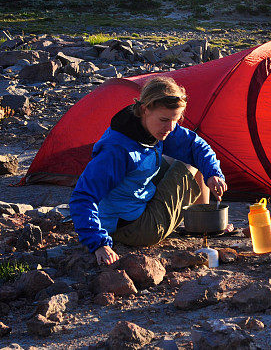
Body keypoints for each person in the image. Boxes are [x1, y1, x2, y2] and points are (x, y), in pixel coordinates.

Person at [69, 76, 227, 265]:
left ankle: (205, 222)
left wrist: (214, 173)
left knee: (194, 157)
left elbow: (196, 145)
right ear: (145, 109)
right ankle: (204, 226)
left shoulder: (150, 126)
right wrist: (98, 243)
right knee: (190, 164)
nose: (169, 128)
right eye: (164, 120)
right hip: (134, 228)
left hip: (137, 202)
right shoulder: (117, 150)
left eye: (175, 120)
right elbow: (83, 196)